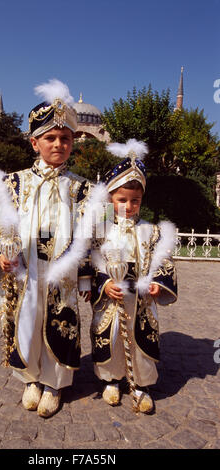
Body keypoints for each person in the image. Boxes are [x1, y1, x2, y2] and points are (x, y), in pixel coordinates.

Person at [0, 79, 97, 418]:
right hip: (24, 270)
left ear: (73, 142)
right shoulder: (13, 184)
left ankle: (55, 383)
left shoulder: (84, 189)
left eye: (65, 138)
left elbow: (96, 236)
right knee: (27, 321)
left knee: (61, 321)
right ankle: (31, 377)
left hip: (63, 272)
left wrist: (89, 278)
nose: (58, 144)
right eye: (50, 138)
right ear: (35, 142)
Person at [90, 139, 178, 413]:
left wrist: (157, 284)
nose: (128, 206)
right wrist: (104, 285)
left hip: (140, 302)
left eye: (135, 200)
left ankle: (140, 384)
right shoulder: (102, 231)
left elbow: (163, 260)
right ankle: (111, 380)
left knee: (140, 340)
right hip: (112, 300)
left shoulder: (151, 232)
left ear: (142, 200)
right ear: (110, 199)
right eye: (121, 200)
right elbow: (92, 261)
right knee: (112, 338)